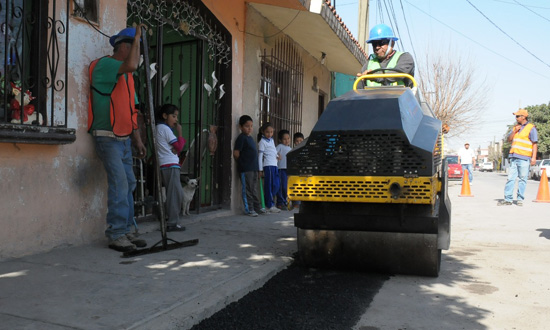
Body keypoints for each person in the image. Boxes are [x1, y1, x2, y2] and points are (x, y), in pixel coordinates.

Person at [88, 25, 148, 252]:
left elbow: (131, 110)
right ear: (124, 47)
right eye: (137, 47)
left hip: (123, 138)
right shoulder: (105, 65)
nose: (139, 54)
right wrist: (139, 36)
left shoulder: (128, 77)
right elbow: (132, 63)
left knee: (129, 183)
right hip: (107, 137)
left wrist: (138, 140)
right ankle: (116, 233)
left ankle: (127, 229)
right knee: (120, 184)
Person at [155, 104, 187, 232]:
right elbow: (178, 147)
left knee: (176, 193)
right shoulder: (165, 129)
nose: (176, 120)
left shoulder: (160, 129)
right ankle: (172, 223)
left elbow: (176, 148)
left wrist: (176, 147)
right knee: (175, 194)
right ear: (164, 116)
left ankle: (171, 219)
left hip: (168, 164)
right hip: (169, 164)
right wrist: (180, 133)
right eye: (173, 116)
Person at [498, 109, 538, 206]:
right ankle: (508, 199)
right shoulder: (515, 127)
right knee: (510, 178)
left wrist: (533, 158)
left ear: (523, 117)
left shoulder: (531, 128)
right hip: (514, 157)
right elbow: (508, 139)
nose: (516, 118)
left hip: (524, 158)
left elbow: (534, 144)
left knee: (522, 179)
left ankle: (520, 199)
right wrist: (514, 131)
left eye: (517, 116)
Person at [356, 24, 415, 88]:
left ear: (392, 43)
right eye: (374, 44)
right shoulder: (369, 65)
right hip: (374, 98)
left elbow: (398, 74)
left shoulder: (405, 58)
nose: (377, 47)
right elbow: (358, 90)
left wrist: (375, 76)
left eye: (381, 43)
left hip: (399, 98)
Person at [234, 115, 267, 217]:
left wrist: (257, 169)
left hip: (253, 168)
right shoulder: (241, 138)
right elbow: (236, 153)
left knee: (254, 189)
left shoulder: (250, 139)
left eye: (251, 126)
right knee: (247, 190)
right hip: (246, 169)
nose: (249, 128)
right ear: (240, 127)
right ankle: (249, 209)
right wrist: (242, 163)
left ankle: (257, 208)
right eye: (247, 126)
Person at [258, 122, 281, 213]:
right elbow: (260, 157)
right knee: (269, 185)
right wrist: (260, 169)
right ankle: (269, 205)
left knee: (276, 184)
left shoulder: (271, 140)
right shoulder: (262, 142)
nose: (269, 134)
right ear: (263, 131)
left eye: (271, 132)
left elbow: (273, 151)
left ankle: (270, 202)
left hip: (275, 165)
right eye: (267, 132)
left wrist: (277, 156)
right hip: (268, 166)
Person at [275, 130, 292, 210]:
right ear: (280, 140)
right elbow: (274, 152)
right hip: (281, 169)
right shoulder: (280, 146)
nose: (287, 140)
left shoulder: (290, 148)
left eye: (288, 138)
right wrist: (277, 154)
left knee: (286, 187)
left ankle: (285, 201)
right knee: (282, 187)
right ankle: (280, 203)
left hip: (288, 170)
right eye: (284, 139)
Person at [291, 132, 305, 210]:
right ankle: (296, 203)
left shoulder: (305, 150)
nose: (299, 142)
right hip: (295, 174)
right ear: (294, 142)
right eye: (297, 141)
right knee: (296, 188)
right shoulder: (293, 151)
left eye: (301, 140)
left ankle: (300, 203)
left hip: (303, 173)